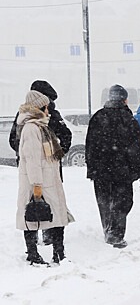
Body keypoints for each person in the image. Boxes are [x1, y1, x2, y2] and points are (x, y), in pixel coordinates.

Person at [9, 80, 72, 246]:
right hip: (36, 168)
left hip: (46, 167)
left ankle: (46, 234)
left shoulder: (41, 116)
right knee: (40, 202)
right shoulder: (30, 120)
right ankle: (41, 240)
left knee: (44, 202)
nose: (49, 107)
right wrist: (31, 154)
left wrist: (54, 153)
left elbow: (66, 136)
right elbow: (16, 141)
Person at [85, 85, 140, 248]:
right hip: (122, 170)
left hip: (101, 170)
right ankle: (116, 234)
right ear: (124, 100)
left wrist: (92, 167)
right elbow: (136, 148)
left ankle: (108, 229)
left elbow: (90, 145)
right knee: (122, 202)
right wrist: (137, 169)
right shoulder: (129, 120)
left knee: (104, 200)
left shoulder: (97, 117)